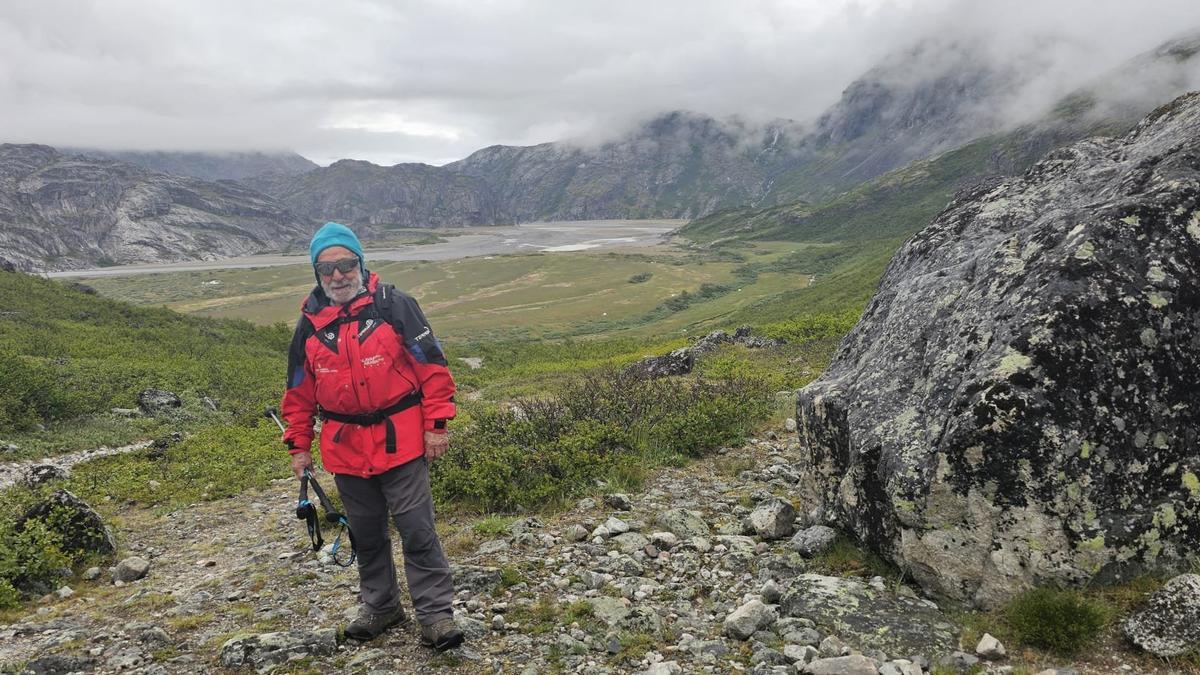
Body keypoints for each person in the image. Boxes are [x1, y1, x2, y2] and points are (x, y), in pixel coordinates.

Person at [280, 221, 464, 650]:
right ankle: (381, 607)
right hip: (345, 451)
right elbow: (298, 393)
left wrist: (436, 426)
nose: (338, 275)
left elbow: (433, 368)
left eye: (346, 264)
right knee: (366, 535)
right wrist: (299, 446)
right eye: (327, 268)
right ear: (316, 274)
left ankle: (436, 616)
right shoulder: (309, 326)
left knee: (417, 531)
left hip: (401, 442)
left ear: (361, 263)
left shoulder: (395, 305)